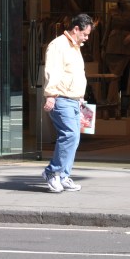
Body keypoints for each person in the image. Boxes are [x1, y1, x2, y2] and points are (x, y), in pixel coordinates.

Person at [42, 13, 94, 193]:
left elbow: (74, 73)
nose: (87, 38)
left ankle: (63, 175)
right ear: (76, 28)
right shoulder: (58, 45)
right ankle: (52, 172)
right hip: (61, 98)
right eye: (85, 34)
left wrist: (79, 97)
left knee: (74, 137)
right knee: (70, 135)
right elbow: (53, 71)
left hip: (72, 99)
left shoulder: (75, 46)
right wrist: (51, 94)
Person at [102, 0, 130, 111]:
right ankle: (113, 106)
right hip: (112, 47)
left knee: (116, 76)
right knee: (114, 77)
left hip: (126, 48)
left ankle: (110, 105)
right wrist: (103, 46)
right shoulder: (112, 10)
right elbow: (107, 28)